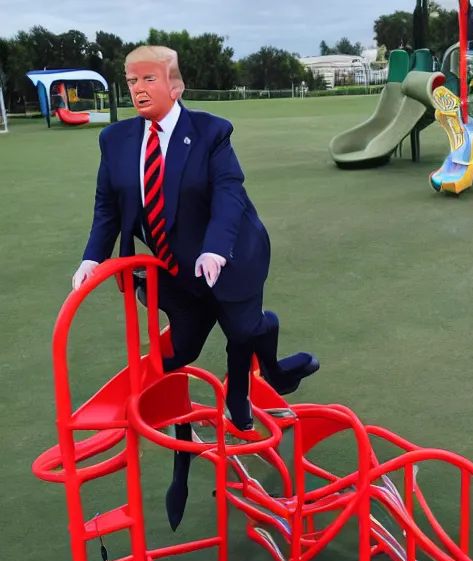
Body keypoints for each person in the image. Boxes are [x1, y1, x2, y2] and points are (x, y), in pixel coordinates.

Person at [72, 45, 319, 528]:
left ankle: (246, 393)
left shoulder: (211, 133)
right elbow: (107, 206)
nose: (137, 88)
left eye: (148, 79)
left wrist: (215, 249)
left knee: (243, 330)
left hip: (231, 256)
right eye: (131, 80)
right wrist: (91, 258)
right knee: (182, 348)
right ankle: (168, 405)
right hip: (177, 273)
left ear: (176, 86)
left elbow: (229, 196)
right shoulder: (116, 140)